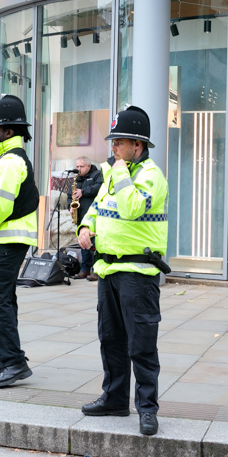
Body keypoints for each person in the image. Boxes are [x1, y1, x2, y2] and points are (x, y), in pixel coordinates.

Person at [77, 105, 169, 436]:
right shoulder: (117, 175)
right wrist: (85, 228)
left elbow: (130, 208)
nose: (113, 148)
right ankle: (115, 400)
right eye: (113, 142)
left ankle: (147, 408)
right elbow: (98, 208)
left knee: (142, 342)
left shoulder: (149, 176)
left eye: (119, 142)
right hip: (108, 269)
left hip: (138, 273)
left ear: (137, 146)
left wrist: (118, 173)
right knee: (111, 339)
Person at [0, 95, 39, 388]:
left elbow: (1, 205)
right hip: (12, 238)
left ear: (9, 132)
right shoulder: (11, 158)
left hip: (9, 238)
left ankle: (14, 361)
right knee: (4, 298)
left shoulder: (10, 161)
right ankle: (6, 356)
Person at [66, 156, 102, 280]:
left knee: (95, 245)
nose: (78, 169)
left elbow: (100, 188)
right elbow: (69, 196)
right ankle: (85, 269)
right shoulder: (76, 179)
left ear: (88, 166)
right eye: (77, 166)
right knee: (83, 244)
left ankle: (96, 270)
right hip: (81, 216)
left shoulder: (97, 175)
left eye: (81, 166)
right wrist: (70, 206)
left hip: (94, 217)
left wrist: (84, 191)